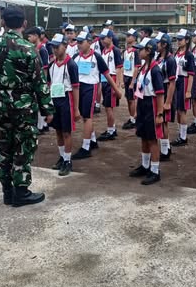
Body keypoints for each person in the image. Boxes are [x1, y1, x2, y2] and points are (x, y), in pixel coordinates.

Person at [0, 7, 54, 207]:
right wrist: (47, 109)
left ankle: (7, 191)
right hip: (23, 107)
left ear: (3, 23)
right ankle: (21, 192)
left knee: (4, 147)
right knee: (23, 146)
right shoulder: (28, 49)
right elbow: (39, 82)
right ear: (24, 24)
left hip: (0, 106)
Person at [71, 31, 123, 160]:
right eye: (77, 42)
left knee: (87, 117)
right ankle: (92, 140)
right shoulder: (76, 57)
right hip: (79, 88)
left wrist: (117, 89)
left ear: (89, 42)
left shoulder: (96, 57)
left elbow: (106, 74)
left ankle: (86, 147)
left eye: (81, 42)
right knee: (84, 116)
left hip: (90, 87)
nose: (78, 45)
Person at [128, 37, 165, 185]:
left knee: (152, 139)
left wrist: (160, 114)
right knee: (143, 136)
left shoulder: (155, 70)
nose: (138, 51)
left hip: (152, 104)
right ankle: (145, 166)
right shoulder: (143, 68)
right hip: (143, 103)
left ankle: (155, 170)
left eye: (141, 49)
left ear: (149, 51)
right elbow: (139, 90)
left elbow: (160, 93)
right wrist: (137, 109)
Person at [48, 33, 80, 176]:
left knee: (66, 131)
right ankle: (62, 157)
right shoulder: (52, 65)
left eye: (57, 47)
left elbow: (75, 87)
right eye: (53, 47)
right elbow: (49, 84)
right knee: (58, 130)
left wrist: (76, 108)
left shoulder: (71, 65)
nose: (55, 50)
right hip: (55, 98)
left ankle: (68, 160)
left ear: (65, 46)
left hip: (66, 99)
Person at [97, 28, 123, 141]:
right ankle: (111, 128)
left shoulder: (115, 50)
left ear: (110, 38)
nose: (102, 40)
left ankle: (111, 130)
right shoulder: (104, 50)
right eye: (101, 38)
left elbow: (119, 68)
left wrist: (116, 85)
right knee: (107, 106)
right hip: (105, 79)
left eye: (104, 38)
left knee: (109, 107)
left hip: (111, 79)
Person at [23, 27, 51, 134]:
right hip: (36, 80)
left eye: (30, 36)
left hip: (41, 80)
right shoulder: (33, 48)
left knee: (41, 102)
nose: (28, 38)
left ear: (36, 36)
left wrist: (44, 82)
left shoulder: (42, 49)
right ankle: (41, 124)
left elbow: (45, 68)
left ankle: (42, 125)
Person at [171, 29, 195, 147]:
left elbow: (191, 74)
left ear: (186, 40)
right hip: (177, 81)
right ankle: (181, 134)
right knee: (178, 110)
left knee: (182, 110)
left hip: (184, 81)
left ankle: (183, 137)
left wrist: (189, 91)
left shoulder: (189, 55)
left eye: (181, 39)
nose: (178, 41)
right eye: (178, 39)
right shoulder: (176, 53)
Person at [155, 32, 177, 161]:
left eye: (158, 43)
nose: (156, 45)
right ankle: (166, 147)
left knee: (163, 122)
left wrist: (168, 102)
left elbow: (172, 83)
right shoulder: (158, 58)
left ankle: (165, 150)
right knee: (161, 122)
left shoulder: (170, 60)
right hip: (159, 91)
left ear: (164, 44)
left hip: (165, 91)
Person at [121, 28, 141, 130]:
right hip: (126, 76)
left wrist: (132, 82)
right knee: (128, 99)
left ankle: (134, 119)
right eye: (127, 36)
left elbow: (137, 67)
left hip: (132, 77)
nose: (127, 37)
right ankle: (131, 117)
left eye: (129, 36)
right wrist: (123, 79)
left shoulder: (136, 51)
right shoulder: (125, 51)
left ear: (134, 38)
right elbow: (124, 66)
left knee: (132, 99)